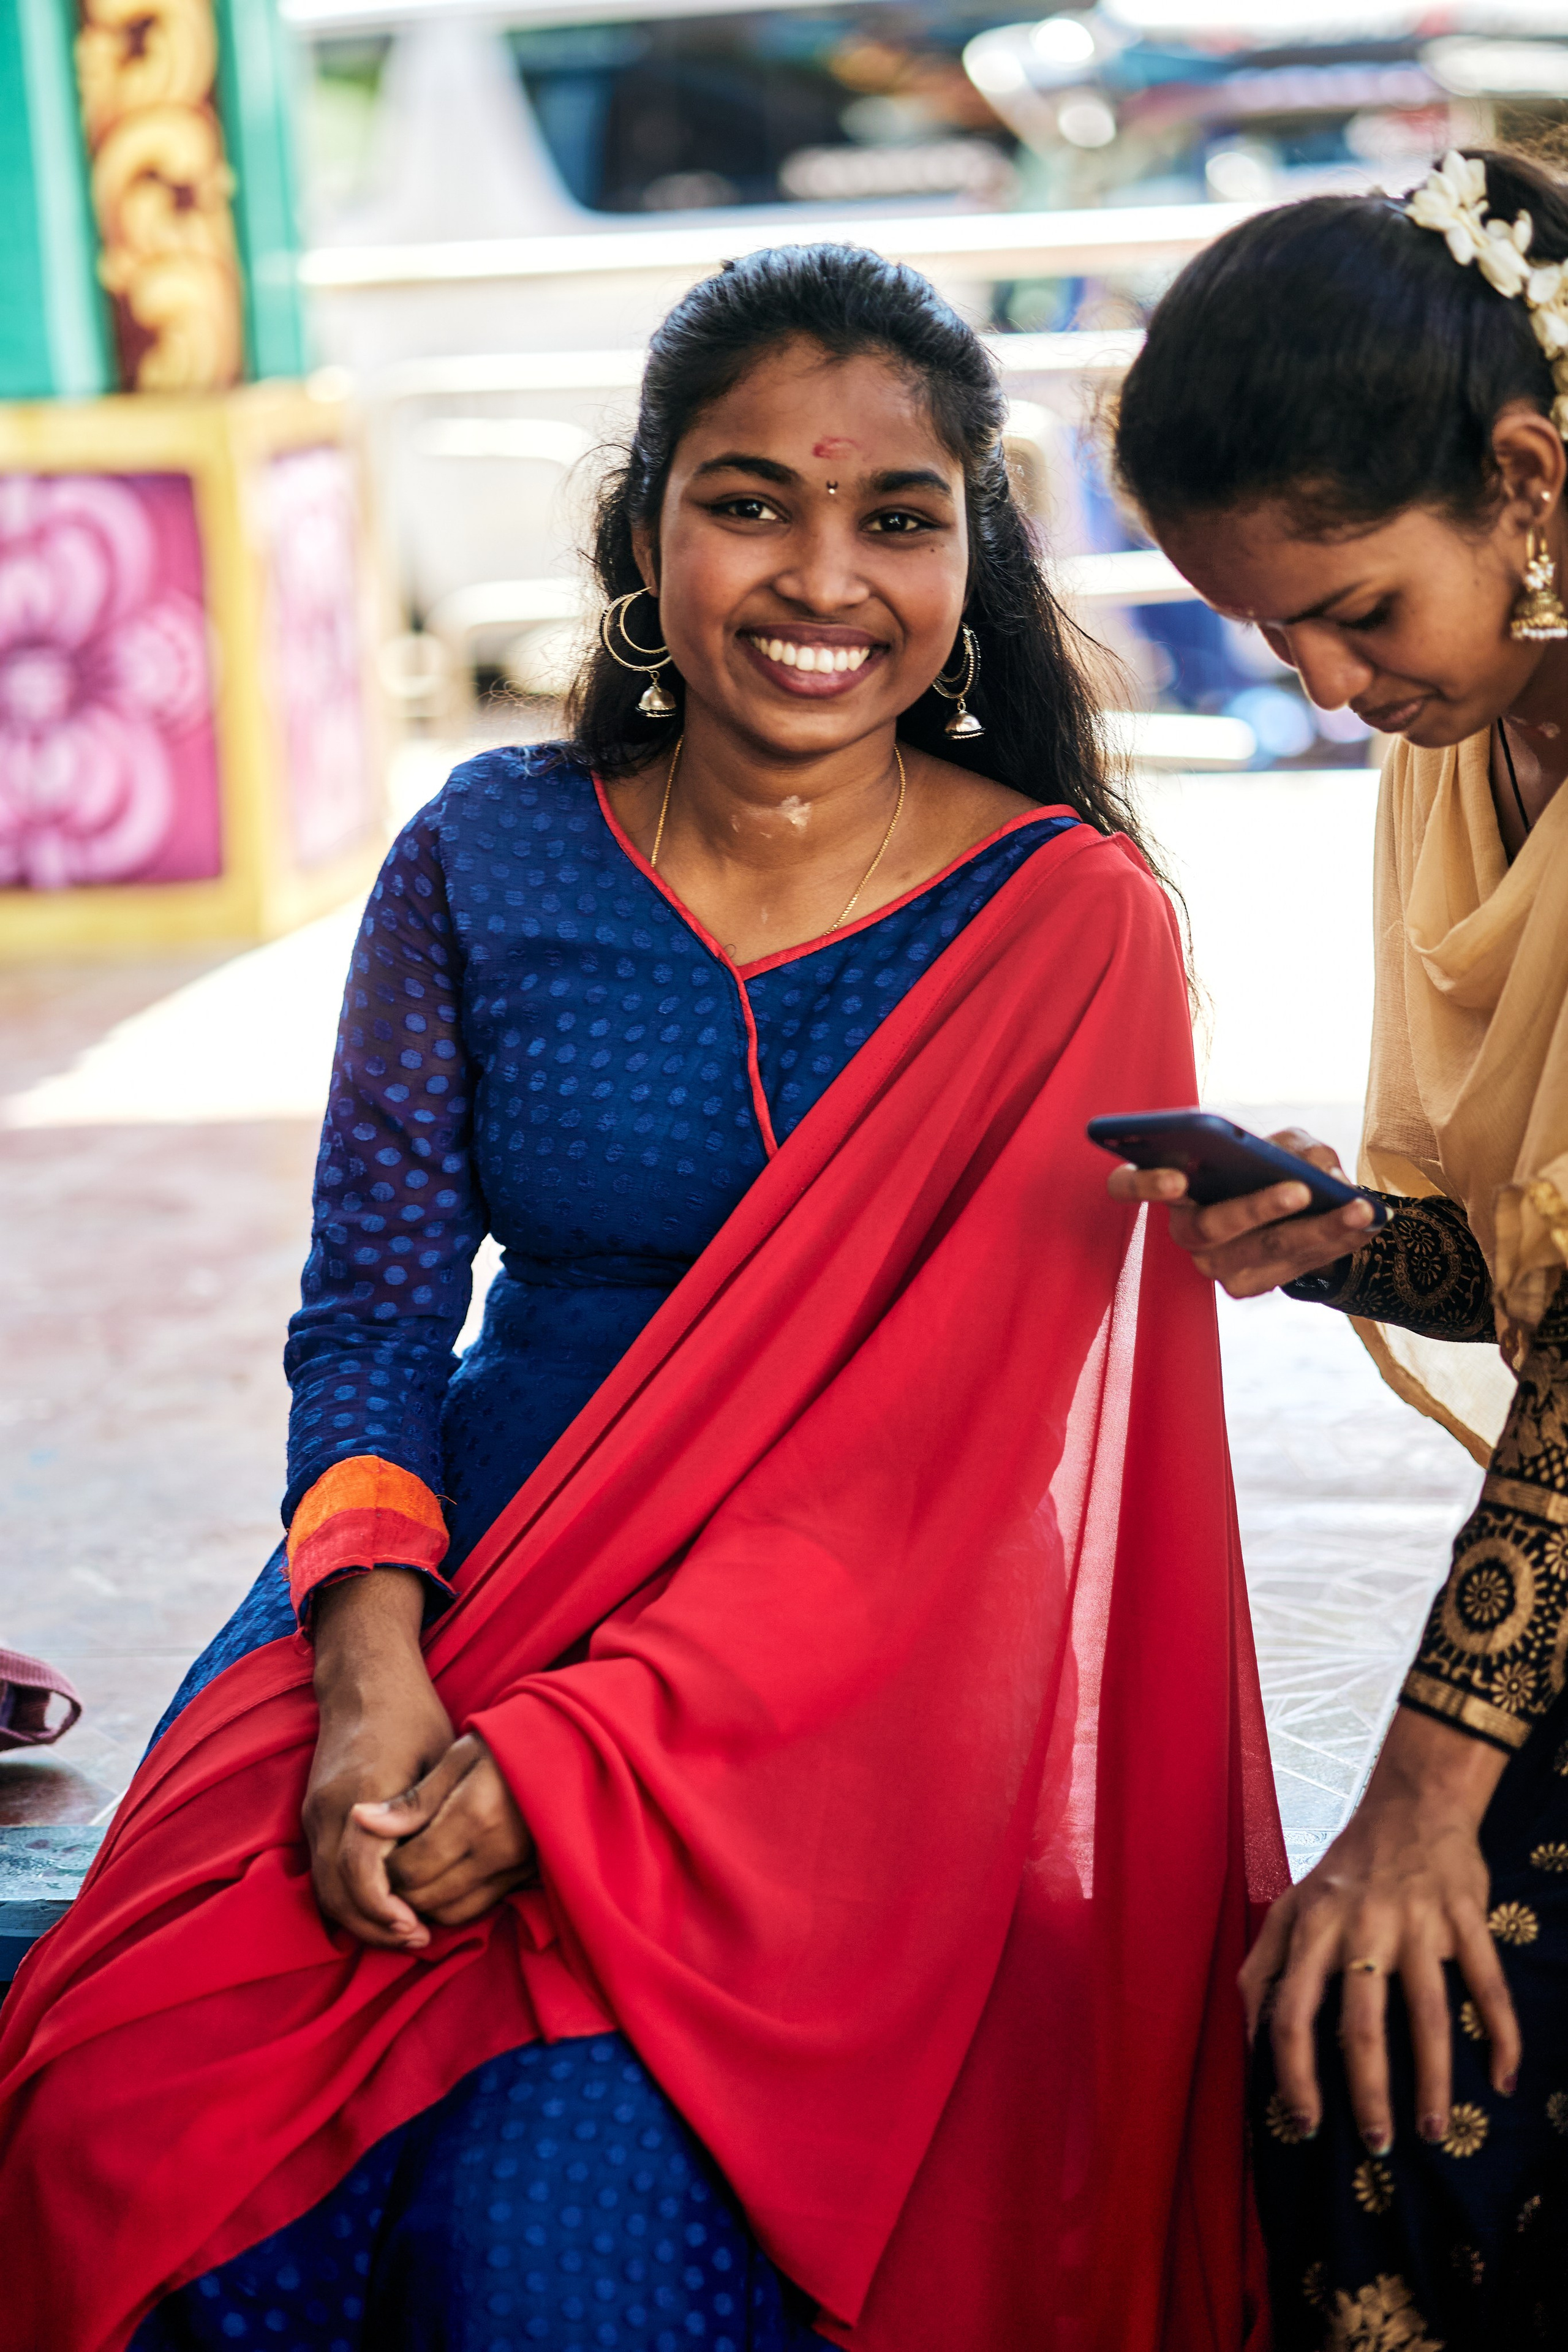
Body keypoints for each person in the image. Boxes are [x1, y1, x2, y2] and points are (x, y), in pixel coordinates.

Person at [0, 244, 1284, 2352]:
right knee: (124, 2114)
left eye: (898, 517)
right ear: (642, 529)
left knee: (554, 2248)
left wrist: (588, 1764)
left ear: (974, 554)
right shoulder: (486, 855)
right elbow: (372, 1323)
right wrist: (374, 1680)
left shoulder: (1062, 923)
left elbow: (949, 1477)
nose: (824, 576)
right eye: (750, 497)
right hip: (451, 1586)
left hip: (833, 1692)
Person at [1111, 146, 1568, 2351]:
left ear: (1526, 475)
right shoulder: (1478, 753)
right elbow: (1535, 1278)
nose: (1320, 685)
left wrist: (1417, 1804)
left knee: (1421, 2053)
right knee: (1350, 2062)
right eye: (1274, 630)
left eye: (1356, 610)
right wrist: (1358, 1239)